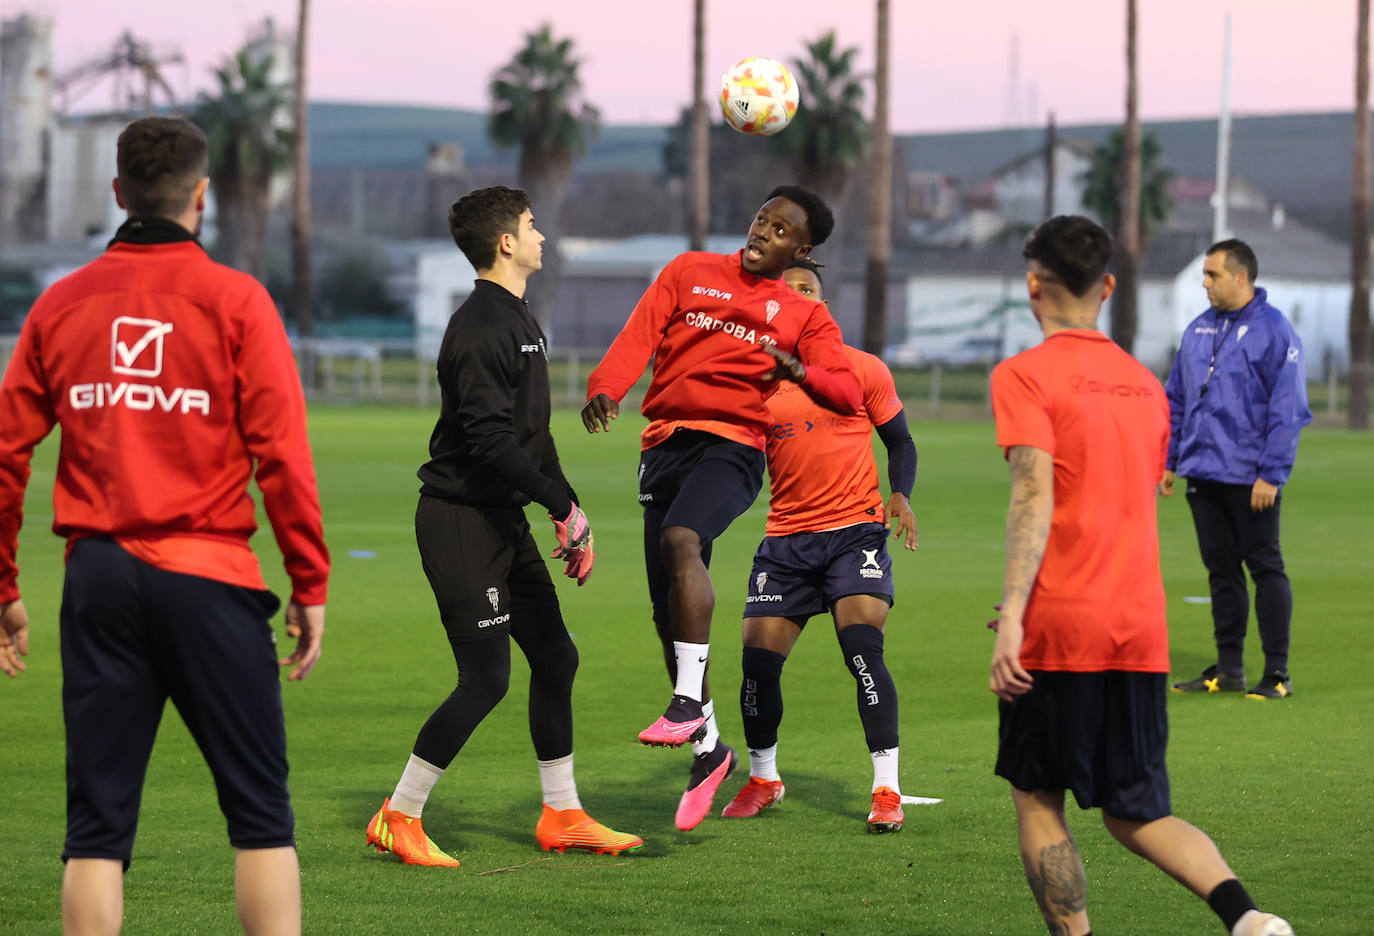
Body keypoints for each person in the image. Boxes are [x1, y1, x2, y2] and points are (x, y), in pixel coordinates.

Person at [0, 116, 329, 936]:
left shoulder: (61, 304)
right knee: (260, 817)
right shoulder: (237, 301)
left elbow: (6, 457)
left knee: (97, 832)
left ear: (118, 193)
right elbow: (282, 455)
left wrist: (3, 587)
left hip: (99, 580)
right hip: (210, 582)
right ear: (203, 197)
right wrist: (309, 582)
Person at [987, 216, 1292, 936]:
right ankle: (1248, 919)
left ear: (1033, 284)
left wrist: (1015, 612)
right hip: (1139, 627)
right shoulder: (1145, 387)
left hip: (1061, 622)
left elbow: (1035, 492)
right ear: (1109, 286)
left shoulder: (1024, 375)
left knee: (1037, 797)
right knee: (1137, 811)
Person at [366, 186, 641, 867]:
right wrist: (557, 504)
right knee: (485, 678)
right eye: (531, 225)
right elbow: (489, 443)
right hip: (459, 523)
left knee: (555, 657)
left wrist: (570, 511)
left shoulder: (519, 319)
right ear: (506, 244)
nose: (542, 235)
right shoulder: (481, 327)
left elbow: (532, 437)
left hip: (500, 520)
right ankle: (398, 815)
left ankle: (563, 814)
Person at [582, 185, 861, 831]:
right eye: (761, 217)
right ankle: (710, 751)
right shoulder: (689, 270)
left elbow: (846, 390)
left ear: (801, 247)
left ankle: (684, 702)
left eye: (781, 226)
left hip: (732, 446)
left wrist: (799, 371)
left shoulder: (804, 314)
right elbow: (637, 335)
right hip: (664, 445)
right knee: (666, 611)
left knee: (683, 540)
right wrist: (605, 387)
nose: (763, 229)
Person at [720, 257, 917, 832]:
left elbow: (900, 441)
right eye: (787, 293)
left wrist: (900, 494)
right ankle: (764, 778)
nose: (799, 298)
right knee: (756, 668)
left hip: (855, 535)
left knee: (862, 652)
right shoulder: (755, 384)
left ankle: (886, 790)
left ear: (823, 306)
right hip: (785, 542)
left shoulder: (862, 369)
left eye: (808, 290)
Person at [1161, 239, 1310, 700]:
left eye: (1212, 274)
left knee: (1265, 568)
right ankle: (1228, 671)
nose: (1204, 283)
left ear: (1242, 277)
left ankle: (1278, 674)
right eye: (1204, 275)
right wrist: (1167, 461)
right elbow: (1176, 399)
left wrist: (1272, 473)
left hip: (1251, 479)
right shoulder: (1198, 330)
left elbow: (1289, 410)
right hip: (1202, 474)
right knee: (1221, 571)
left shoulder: (1275, 331)